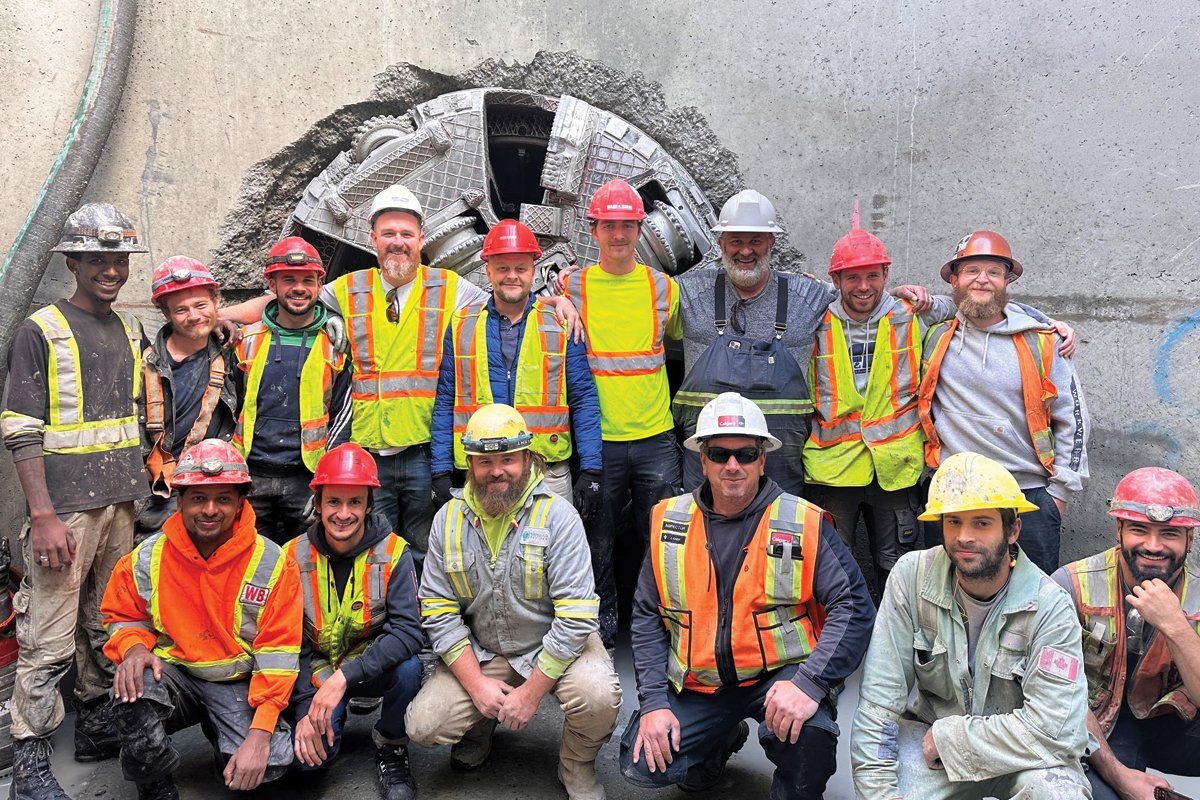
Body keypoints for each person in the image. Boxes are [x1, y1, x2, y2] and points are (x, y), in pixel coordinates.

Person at [621, 391, 875, 800]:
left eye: (746, 453)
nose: (732, 465)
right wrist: (653, 703)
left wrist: (809, 684)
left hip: (780, 677)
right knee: (643, 760)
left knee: (809, 737)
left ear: (762, 459)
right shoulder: (669, 520)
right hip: (702, 684)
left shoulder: (801, 521)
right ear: (702, 459)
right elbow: (647, 614)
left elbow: (855, 605)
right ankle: (719, 738)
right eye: (719, 454)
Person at [1, 203, 148, 798]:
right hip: (64, 511)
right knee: (49, 635)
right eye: (97, 260)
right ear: (73, 263)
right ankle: (30, 760)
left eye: (119, 260)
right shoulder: (41, 330)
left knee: (104, 620)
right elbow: (20, 428)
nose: (111, 270)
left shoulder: (126, 329)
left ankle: (94, 724)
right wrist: (42, 515)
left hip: (119, 501)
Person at [407, 404, 621, 800]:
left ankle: (576, 765)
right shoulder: (447, 521)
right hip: (484, 651)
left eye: (508, 459)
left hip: (555, 646)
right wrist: (477, 686)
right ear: (469, 463)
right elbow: (437, 611)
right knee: (425, 724)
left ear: (526, 458)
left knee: (598, 696)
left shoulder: (559, 517)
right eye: (485, 461)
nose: (497, 471)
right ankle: (480, 725)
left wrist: (530, 694)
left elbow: (575, 618)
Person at [851, 451, 1091, 799]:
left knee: (1059, 793)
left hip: (1020, 755)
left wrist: (955, 740)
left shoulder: (1050, 606)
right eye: (953, 522)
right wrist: (879, 794)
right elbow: (878, 705)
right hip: (930, 745)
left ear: (1013, 529)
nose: (964, 536)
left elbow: (1058, 731)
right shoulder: (912, 576)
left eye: (981, 523)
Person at [673, 191, 937, 495]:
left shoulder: (807, 293)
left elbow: (860, 294)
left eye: (756, 241)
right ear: (721, 243)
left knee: (781, 525)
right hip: (710, 456)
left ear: (772, 243)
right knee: (701, 524)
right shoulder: (688, 291)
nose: (746, 250)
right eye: (736, 241)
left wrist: (897, 297)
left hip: (782, 460)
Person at [101, 439, 302, 798]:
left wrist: (260, 735)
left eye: (223, 498)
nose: (210, 510)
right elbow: (123, 615)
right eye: (198, 498)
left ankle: (222, 729)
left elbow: (278, 656)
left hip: (238, 684)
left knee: (269, 767)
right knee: (132, 691)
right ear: (179, 501)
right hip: (174, 676)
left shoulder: (273, 563)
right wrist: (134, 651)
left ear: (240, 503)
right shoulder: (148, 558)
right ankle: (156, 786)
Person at [918, 230, 1090, 573]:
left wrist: (1058, 496)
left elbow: (1074, 420)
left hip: (1027, 496)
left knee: (1031, 598)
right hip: (953, 491)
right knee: (945, 595)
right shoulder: (935, 336)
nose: (982, 279)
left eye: (993, 272)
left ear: (1006, 281)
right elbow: (886, 306)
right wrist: (907, 293)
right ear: (954, 280)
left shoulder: (1043, 341)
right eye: (971, 270)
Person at [560, 178, 683, 649]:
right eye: (609, 225)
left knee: (663, 541)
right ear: (593, 230)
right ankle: (604, 629)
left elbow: (685, 335)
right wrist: (555, 300)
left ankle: (661, 626)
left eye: (627, 225)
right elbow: (530, 302)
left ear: (639, 229)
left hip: (655, 438)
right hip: (600, 443)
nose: (618, 234)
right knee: (598, 541)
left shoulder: (661, 288)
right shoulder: (572, 285)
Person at [430, 219, 602, 513]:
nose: (512, 276)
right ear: (488, 271)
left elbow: (583, 397)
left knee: (554, 542)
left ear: (533, 271)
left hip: (546, 469)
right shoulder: (461, 324)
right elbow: (446, 400)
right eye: (503, 268)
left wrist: (591, 468)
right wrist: (440, 470)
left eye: (520, 268)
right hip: (484, 470)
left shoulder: (561, 323)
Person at [1052, 467, 1200, 800]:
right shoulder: (1069, 585)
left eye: (1170, 534)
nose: (1153, 545)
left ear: (1189, 540)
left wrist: (1174, 624)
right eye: (1139, 530)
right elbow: (1055, 696)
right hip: (1096, 725)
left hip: (1175, 721)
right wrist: (1120, 778)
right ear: (1118, 530)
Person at [287, 443, 423, 800]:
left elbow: (409, 632)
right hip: (316, 673)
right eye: (333, 501)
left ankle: (391, 743)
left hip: (367, 667)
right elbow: (285, 643)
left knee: (409, 669)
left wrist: (344, 678)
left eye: (355, 502)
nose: (343, 514)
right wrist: (305, 702)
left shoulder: (394, 552)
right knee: (308, 763)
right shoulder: (292, 555)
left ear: (369, 505)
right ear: (318, 504)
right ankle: (327, 718)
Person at [232, 236, 352, 543]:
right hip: (251, 474)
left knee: (305, 560)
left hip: (306, 476)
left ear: (320, 285)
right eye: (289, 280)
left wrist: (327, 478)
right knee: (252, 558)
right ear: (271, 284)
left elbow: (343, 415)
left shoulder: (336, 346)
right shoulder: (246, 340)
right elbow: (230, 406)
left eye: (307, 280)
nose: (299, 288)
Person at [138, 256, 240, 539]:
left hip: (213, 486)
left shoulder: (233, 352)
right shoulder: (142, 362)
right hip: (158, 492)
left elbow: (278, 306)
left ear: (216, 301)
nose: (193, 316)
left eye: (201, 305)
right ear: (166, 313)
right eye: (181, 310)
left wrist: (331, 318)